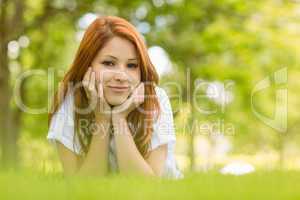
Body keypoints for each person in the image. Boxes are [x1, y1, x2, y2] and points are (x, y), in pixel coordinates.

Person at [47, 16, 183, 179]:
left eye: (131, 65)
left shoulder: (156, 99)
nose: (121, 76)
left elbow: (147, 188)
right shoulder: (70, 102)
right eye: (109, 63)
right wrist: (102, 118)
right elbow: (82, 189)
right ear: (86, 66)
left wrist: (119, 118)